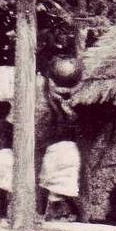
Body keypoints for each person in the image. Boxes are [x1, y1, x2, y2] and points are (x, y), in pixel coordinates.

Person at [40, 77, 84, 221]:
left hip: (59, 151)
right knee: (66, 187)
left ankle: (42, 214)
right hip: (70, 151)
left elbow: (48, 96)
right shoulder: (75, 115)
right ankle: (79, 215)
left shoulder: (59, 113)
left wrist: (47, 79)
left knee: (48, 184)